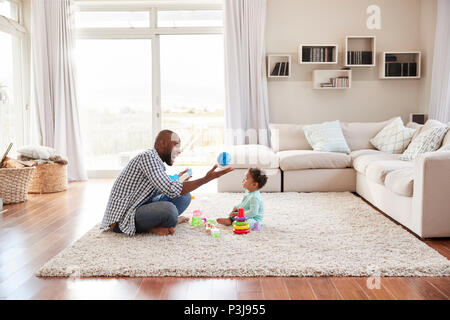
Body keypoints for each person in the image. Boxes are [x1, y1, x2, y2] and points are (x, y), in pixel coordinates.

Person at [101, 130, 233, 236]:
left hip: (139, 205)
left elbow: (159, 188)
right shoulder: (148, 157)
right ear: (163, 143)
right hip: (122, 217)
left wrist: (178, 179)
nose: (179, 150)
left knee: (184, 196)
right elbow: (170, 189)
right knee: (169, 211)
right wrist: (206, 179)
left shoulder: (155, 161)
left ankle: (164, 222)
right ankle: (151, 228)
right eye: (176, 145)